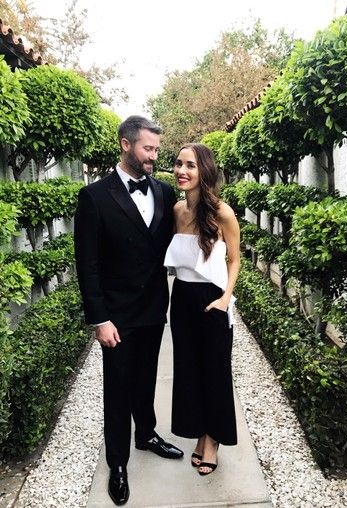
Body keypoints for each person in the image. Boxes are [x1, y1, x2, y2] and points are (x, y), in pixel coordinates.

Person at [74, 115, 184, 506]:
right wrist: (99, 318)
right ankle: (117, 462)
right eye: (147, 149)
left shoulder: (165, 192)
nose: (154, 156)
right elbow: (87, 264)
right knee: (117, 388)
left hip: (154, 308)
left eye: (156, 149)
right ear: (125, 145)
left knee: (147, 377)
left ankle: (147, 434)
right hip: (116, 316)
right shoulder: (95, 197)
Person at [164, 143, 240, 476]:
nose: (182, 171)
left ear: (204, 171)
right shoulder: (177, 211)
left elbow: (236, 260)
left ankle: (213, 441)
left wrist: (225, 298)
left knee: (215, 373)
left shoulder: (222, 212)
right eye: (179, 164)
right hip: (181, 299)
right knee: (189, 372)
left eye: (190, 165)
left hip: (213, 300)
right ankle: (199, 433)